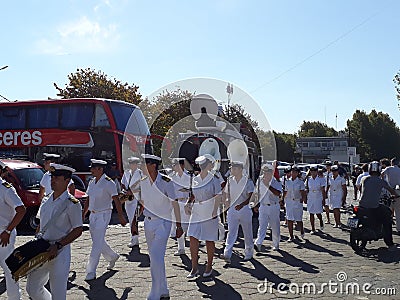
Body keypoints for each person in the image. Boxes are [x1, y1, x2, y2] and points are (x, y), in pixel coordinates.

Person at [26, 164, 83, 300]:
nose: (53, 180)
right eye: (52, 177)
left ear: (67, 181)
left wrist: (58, 245)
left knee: (58, 292)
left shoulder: (72, 203)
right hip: (42, 249)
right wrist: (36, 240)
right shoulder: (46, 200)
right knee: (32, 288)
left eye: (57, 178)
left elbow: (78, 229)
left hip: (60, 251)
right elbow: (41, 223)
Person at [138, 154, 183, 300]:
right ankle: (164, 290)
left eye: (144, 164)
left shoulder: (166, 182)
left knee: (156, 258)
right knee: (155, 257)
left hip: (163, 223)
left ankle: (155, 292)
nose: (141, 167)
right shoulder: (143, 181)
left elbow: (174, 203)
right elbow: (143, 201)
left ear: (153, 165)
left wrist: (178, 225)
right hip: (148, 222)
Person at [82, 159, 127, 281]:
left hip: (104, 215)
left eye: (93, 168)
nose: (91, 170)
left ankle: (91, 271)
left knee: (96, 243)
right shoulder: (92, 182)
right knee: (98, 240)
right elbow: (88, 199)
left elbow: (116, 200)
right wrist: (83, 214)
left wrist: (121, 216)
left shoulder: (109, 183)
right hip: (93, 215)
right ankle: (112, 256)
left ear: (100, 169)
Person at [185, 155, 222, 278]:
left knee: (209, 239)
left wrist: (214, 211)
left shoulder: (214, 179)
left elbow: (218, 196)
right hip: (197, 210)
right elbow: (193, 194)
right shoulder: (195, 179)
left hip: (209, 209)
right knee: (192, 236)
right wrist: (188, 203)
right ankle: (194, 268)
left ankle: (209, 266)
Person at [359, 161, 399, 251]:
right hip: (374, 206)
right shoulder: (381, 181)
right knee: (387, 218)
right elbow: (390, 190)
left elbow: (362, 190)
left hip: (362, 205)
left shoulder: (364, 179)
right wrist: (396, 195)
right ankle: (390, 244)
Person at [0, 161, 26, 300]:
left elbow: (21, 210)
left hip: (3, 234)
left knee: (9, 268)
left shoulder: (6, 189)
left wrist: (8, 231)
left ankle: (15, 297)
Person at [222, 161, 254, 263]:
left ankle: (249, 252)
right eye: (231, 168)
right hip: (232, 209)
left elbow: (250, 197)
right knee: (231, 232)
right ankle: (227, 253)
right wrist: (226, 201)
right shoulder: (230, 180)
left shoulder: (247, 181)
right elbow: (226, 193)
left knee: (247, 232)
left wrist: (242, 205)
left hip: (244, 209)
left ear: (240, 170)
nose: (232, 170)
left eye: (234, 169)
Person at [253, 163, 282, 251]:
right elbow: (257, 193)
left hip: (273, 206)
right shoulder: (260, 180)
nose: (266, 174)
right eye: (265, 172)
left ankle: (276, 244)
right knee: (262, 225)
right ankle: (258, 243)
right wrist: (256, 204)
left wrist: (268, 186)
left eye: (268, 172)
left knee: (275, 226)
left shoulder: (275, 181)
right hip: (263, 206)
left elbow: (278, 193)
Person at [169, 158, 191, 256]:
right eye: (174, 165)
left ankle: (193, 244)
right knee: (178, 226)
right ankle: (180, 248)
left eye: (176, 165)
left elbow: (192, 190)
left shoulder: (189, 177)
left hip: (186, 203)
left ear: (182, 166)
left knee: (186, 226)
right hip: (176, 203)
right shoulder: (172, 177)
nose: (175, 167)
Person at [121, 156, 142, 248]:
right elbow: (122, 183)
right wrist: (124, 191)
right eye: (131, 163)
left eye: (134, 163)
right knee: (130, 218)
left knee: (134, 219)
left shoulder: (140, 173)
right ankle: (134, 237)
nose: (132, 165)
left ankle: (135, 238)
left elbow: (142, 186)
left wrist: (133, 191)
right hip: (127, 199)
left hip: (136, 199)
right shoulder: (126, 173)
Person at [283, 166, 306, 241]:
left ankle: (302, 230)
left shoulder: (300, 182)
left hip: (297, 201)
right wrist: (282, 199)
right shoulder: (287, 181)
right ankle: (291, 236)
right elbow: (285, 191)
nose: (293, 173)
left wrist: (303, 199)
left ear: (297, 173)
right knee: (289, 219)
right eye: (292, 172)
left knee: (298, 219)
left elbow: (303, 192)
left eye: (295, 172)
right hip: (289, 201)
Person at [305, 165, 326, 234]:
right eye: (312, 171)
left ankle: (320, 220)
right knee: (311, 213)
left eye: (314, 171)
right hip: (310, 197)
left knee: (318, 213)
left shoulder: (320, 179)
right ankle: (313, 228)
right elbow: (306, 189)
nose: (313, 173)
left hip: (318, 196)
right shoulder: (308, 179)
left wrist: (324, 199)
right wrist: (305, 198)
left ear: (317, 172)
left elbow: (323, 190)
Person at [381, 157, 400, 234]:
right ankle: (399, 229)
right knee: (398, 211)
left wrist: (384, 183)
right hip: (398, 190)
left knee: (387, 209)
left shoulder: (388, 169)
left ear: (392, 163)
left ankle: (387, 227)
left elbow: (382, 174)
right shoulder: (399, 169)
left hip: (389, 189)